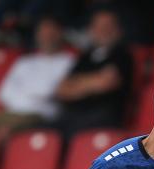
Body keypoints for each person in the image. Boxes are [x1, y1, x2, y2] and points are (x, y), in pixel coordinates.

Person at [0, 16, 75, 139]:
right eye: (43, 32)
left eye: (51, 32)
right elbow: (5, 92)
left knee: (3, 133)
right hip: (12, 113)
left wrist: (26, 93)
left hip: (41, 115)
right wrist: (32, 96)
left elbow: (51, 92)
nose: (46, 37)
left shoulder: (69, 62)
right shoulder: (25, 62)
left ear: (60, 33)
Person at [52, 9, 133, 137]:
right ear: (91, 29)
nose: (103, 30)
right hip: (73, 115)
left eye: (108, 26)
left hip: (104, 117)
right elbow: (62, 89)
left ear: (118, 29)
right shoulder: (85, 57)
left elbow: (107, 83)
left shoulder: (122, 55)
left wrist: (78, 83)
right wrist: (93, 82)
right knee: (44, 131)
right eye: (99, 26)